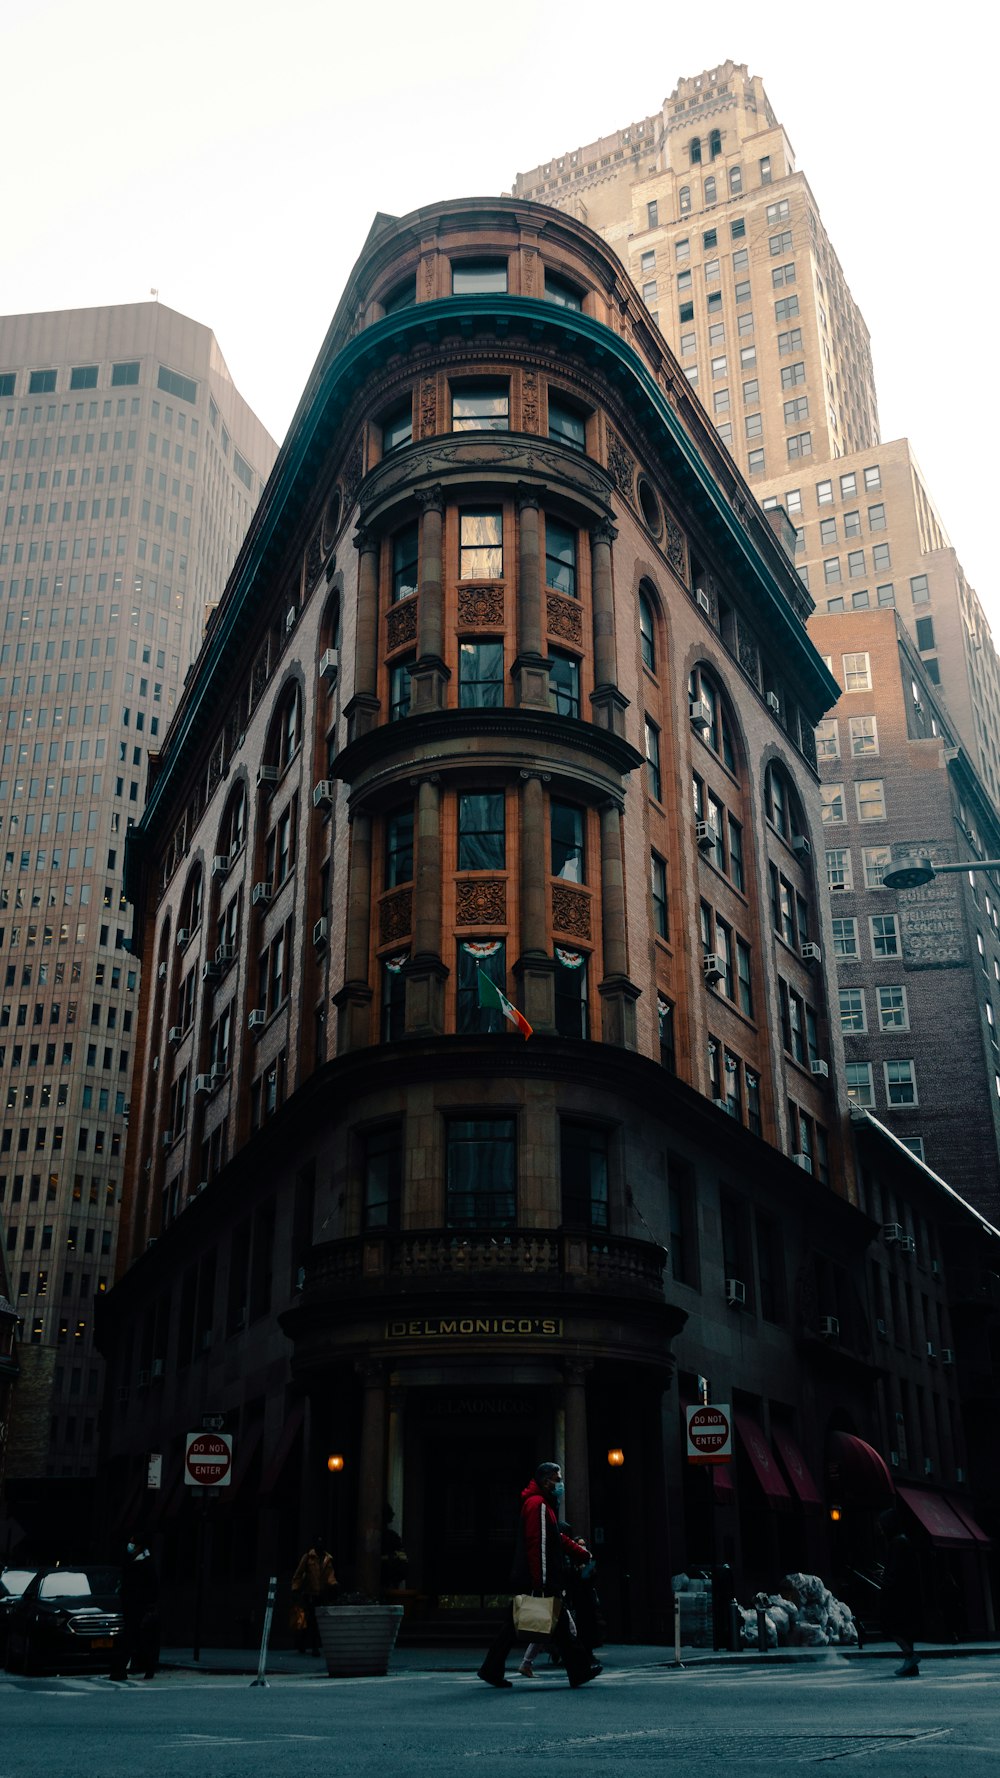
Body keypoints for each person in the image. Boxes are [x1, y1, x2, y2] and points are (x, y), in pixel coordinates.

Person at [478, 1462, 601, 1689]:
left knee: (516, 1627)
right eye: (558, 1479)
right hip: (540, 1579)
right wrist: (541, 1582)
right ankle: (579, 1670)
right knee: (557, 1624)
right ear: (546, 1481)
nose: (561, 1483)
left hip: (535, 1577)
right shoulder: (539, 1505)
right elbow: (538, 1544)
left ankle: (491, 1669)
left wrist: (580, 1552)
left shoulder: (539, 1504)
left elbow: (555, 1538)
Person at [878, 1507, 923, 1676]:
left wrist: (885, 1588)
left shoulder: (897, 1543)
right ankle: (911, 1666)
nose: (881, 1531)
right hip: (908, 1594)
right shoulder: (904, 1542)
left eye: (882, 1527)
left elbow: (895, 1571)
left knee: (890, 1626)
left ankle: (910, 1656)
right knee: (905, 1629)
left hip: (897, 1595)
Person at [110, 1540, 160, 1681]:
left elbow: (152, 1586)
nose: (130, 1546)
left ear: (139, 1547)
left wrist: (147, 1603)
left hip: (138, 1606)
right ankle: (147, 1666)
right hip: (132, 1606)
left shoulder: (144, 1564)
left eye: (133, 1543)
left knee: (131, 1637)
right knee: (136, 1638)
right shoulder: (135, 1562)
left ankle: (121, 1670)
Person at [291, 1533, 337, 1655]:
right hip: (309, 1593)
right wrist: (295, 1588)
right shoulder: (308, 1558)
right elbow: (299, 1573)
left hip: (320, 1594)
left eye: (321, 1542)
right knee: (309, 1620)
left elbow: (330, 1575)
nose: (319, 1545)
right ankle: (306, 1644)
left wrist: (333, 1583)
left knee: (316, 1621)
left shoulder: (328, 1559)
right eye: (318, 1542)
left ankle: (312, 1646)